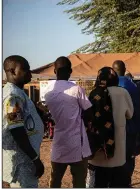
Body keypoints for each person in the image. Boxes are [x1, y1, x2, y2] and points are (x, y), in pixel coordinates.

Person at [44, 56, 92, 188]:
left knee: (55, 180)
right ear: (70, 71)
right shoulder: (76, 89)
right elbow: (88, 110)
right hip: (77, 143)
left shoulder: (48, 91)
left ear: (54, 71)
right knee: (79, 181)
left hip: (59, 142)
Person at [86, 67, 134, 187]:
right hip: (117, 154)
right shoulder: (123, 93)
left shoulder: (93, 94)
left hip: (97, 153)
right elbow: (130, 114)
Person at [2, 55, 44, 188]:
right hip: (22, 161)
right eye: (25, 69)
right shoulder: (12, 96)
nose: (30, 73)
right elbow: (17, 129)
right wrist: (35, 159)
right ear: (13, 71)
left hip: (24, 158)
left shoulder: (18, 93)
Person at [112, 60, 140, 186]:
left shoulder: (112, 86)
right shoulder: (132, 85)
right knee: (129, 158)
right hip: (132, 128)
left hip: (116, 128)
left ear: (112, 70)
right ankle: (127, 182)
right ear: (124, 69)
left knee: (116, 158)